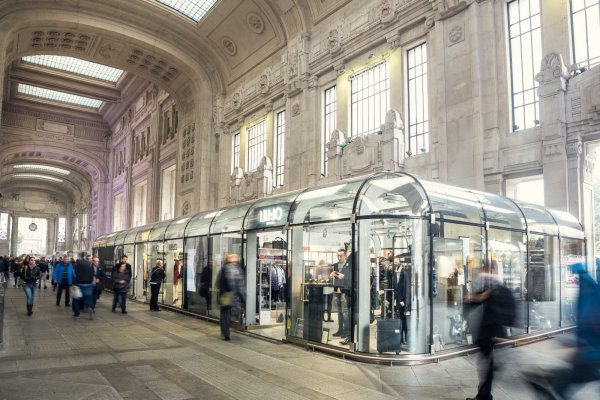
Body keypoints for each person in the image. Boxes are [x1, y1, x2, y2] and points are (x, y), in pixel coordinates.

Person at [526, 262, 600, 398]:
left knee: (565, 380)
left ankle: (548, 385)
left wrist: (585, 347)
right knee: (566, 379)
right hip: (589, 354)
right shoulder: (591, 291)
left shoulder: (591, 293)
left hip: (591, 356)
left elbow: (591, 323)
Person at [465, 272, 512, 400]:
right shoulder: (501, 289)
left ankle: (484, 396)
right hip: (495, 332)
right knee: (488, 364)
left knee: (487, 365)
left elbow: (479, 299)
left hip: (490, 332)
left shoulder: (494, 290)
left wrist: (471, 298)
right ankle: (484, 395)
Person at [218, 253, 246, 341]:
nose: (236, 259)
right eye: (233, 257)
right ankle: (226, 333)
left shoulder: (235, 268)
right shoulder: (228, 269)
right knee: (225, 315)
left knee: (226, 315)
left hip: (230, 295)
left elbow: (240, 284)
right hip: (227, 295)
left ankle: (226, 332)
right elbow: (223, 283)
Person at [330, 249, 351, 343]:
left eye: (341, 256)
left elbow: (349, 278)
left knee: (344, 312)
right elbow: (331, 276)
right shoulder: (334, 265)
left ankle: (346, 331)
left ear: (345, 256)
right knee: (339, 311)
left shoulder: (348, 266)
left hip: (344, 291)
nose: (339, 257)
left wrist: (344, 276)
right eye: (338, 255)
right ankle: (340, 329)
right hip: (336, 290)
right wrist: (331, 275)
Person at [73, 252, 96, 319]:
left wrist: (74, 283)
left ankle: (77, 314)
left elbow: (75, 274)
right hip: (88, 284)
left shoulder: (78, 263)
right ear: (86, 257)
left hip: (79, 284)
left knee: (76, 299)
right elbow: (92, 273)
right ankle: (90, 308)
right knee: (88, 299)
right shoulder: (90, 264)